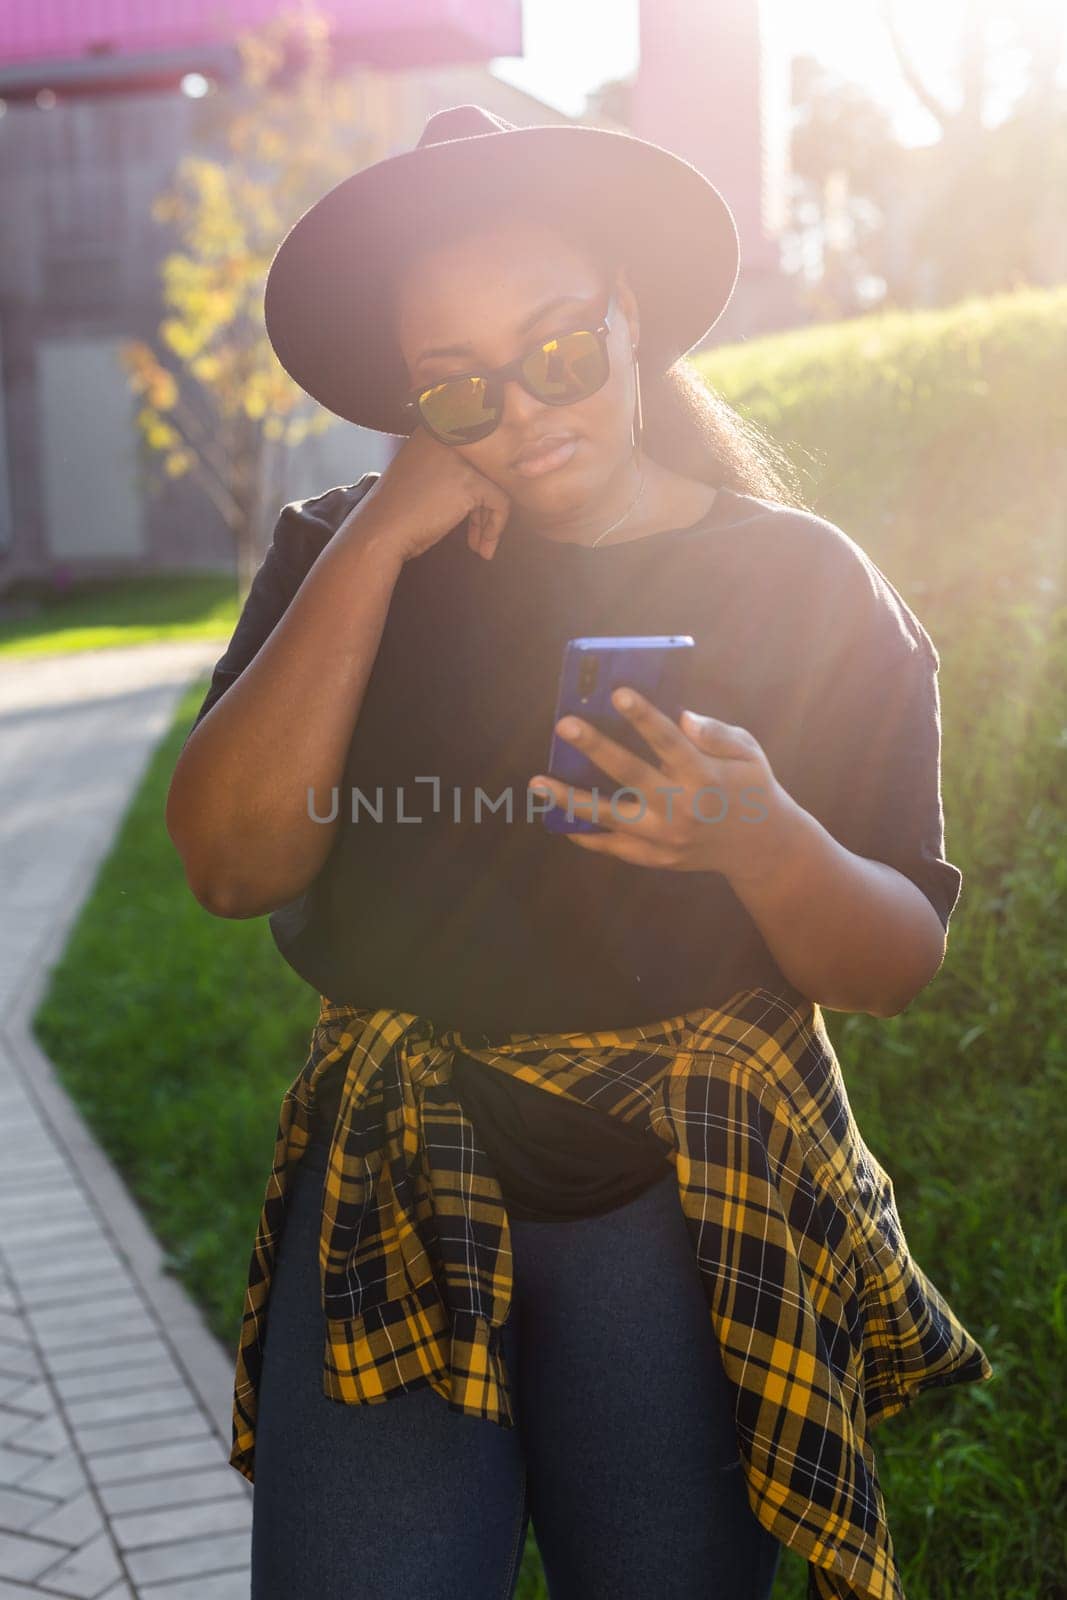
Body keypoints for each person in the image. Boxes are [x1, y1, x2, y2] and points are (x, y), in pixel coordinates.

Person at [166, 106, 993, 1600]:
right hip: (397, 1176)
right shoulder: (341, 556)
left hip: (679, 1210)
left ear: (631, 321)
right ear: (417, 406)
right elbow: (230, 867)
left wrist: (762, 844)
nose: (524, 413)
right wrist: (377, 540)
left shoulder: (802, 585)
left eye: (557, 353)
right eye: (459, 389)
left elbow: (896, 960)